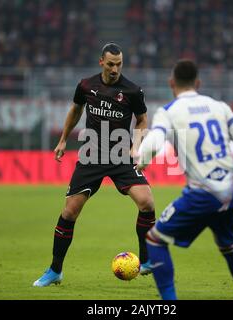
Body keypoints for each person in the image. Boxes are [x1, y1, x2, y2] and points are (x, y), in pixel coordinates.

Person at [135, 59, 233, 300]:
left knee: (154, 241)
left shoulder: (168, 111)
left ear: (171, 83)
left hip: (204, 193)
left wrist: (143, 159)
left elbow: (155, 140)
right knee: (229, 246)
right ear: (198, 83)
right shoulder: (219, 106)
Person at [33, 43, 156, 286]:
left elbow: (142, 120)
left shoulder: (132, 91)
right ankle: (55, 270)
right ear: (101, 62)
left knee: (147, 202)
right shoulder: (86, 85)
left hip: (121, 156)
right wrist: (62, 140)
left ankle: (147, 259)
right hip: (92, 156)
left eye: (119, 64)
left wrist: (136, 146)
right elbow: (76, 109)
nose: (115, 69)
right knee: (69, 212)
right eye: (110, 64)